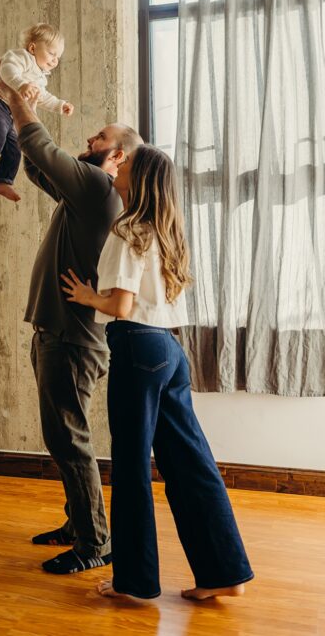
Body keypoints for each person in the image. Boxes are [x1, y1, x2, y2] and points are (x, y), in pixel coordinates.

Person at [61, 145, 253, 600]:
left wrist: (89, 297)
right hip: (170, 349)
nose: (116, 167)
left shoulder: (127, 229)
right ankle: (224, 573)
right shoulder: (169, 232)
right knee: (191, 463)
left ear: (139, 178)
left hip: (135, 346)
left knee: (130, 466)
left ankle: (135, 583)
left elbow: (121, 305)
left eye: (124, 165)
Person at [0, 59, 141, 575]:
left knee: (68, 438)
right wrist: (13, 111)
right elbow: (37, 164)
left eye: (98, 138)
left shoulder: (98, 188)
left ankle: (95, 542)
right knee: (62, 435)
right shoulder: (83, 194)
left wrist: (12, 93)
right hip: (57, 332)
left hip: (73, 338)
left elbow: (43, 148)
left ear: (116, 155)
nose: (89, 139)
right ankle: (79, 523)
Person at [0, 23, 75, 202]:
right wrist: (21, 85)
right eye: (52, 53)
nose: (55, 60)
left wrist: (60, 105)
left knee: (15, 147)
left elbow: (42, 97)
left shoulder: (40, 77)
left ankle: (4, 182)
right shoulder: (21, 57)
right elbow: (7, 71)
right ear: (33, 47)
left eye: (58, 57)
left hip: (9, 113)